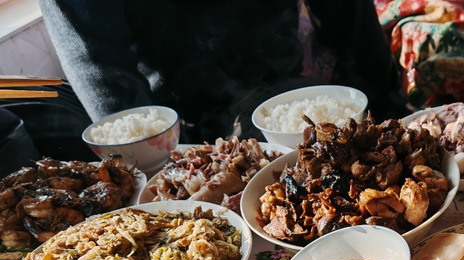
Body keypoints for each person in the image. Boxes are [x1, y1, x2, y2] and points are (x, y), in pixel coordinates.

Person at [38, 0, 408, 144]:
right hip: (177, 124)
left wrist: (389, 109)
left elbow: (349, 14)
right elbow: (99, 69)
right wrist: (152, 168)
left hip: (285, 94)